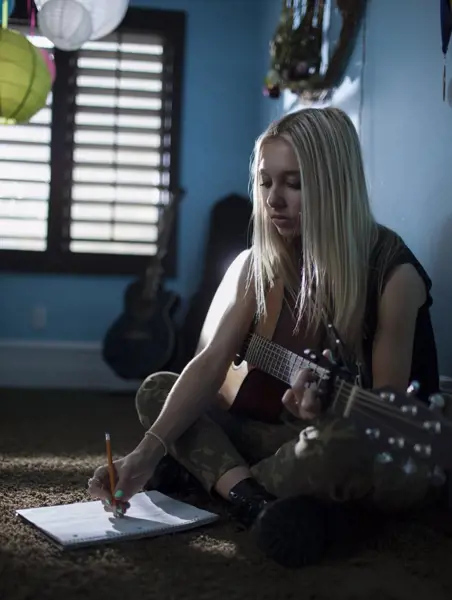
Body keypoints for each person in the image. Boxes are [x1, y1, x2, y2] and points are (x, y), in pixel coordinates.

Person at [88, 107, 442, 568]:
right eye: (266, 181)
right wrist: (143, 454)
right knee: (159, 389)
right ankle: (259, 502)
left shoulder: (393, 276)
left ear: (335, 185)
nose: (274, 199)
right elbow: (213, 359)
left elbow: (384, 419)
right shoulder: (260, 263)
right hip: (277, 437)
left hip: (362, 446)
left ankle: (223, 482)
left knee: (333, 451)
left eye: (294, 183)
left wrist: (318, 415)